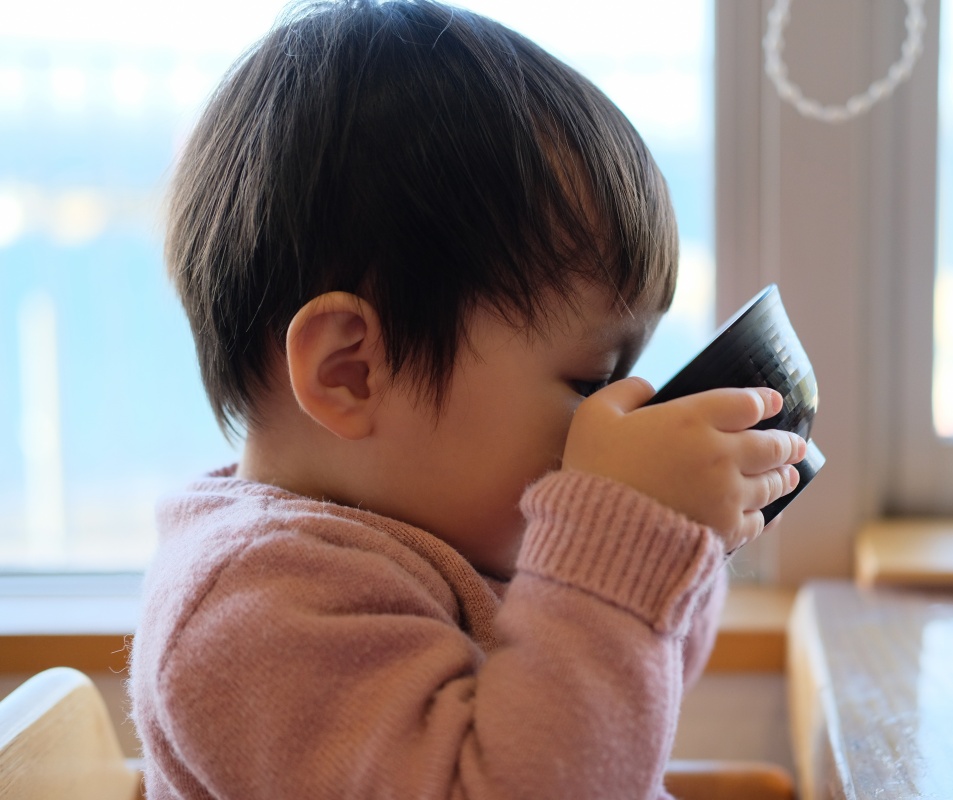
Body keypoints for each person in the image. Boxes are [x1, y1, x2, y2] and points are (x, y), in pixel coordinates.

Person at [128, 1, 805, 797]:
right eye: (589, 381)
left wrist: (668, 537)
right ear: (353, 371)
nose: (616, 412)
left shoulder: (428, 527)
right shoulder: (254, 615)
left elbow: (617, 714)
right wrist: (621, 541)